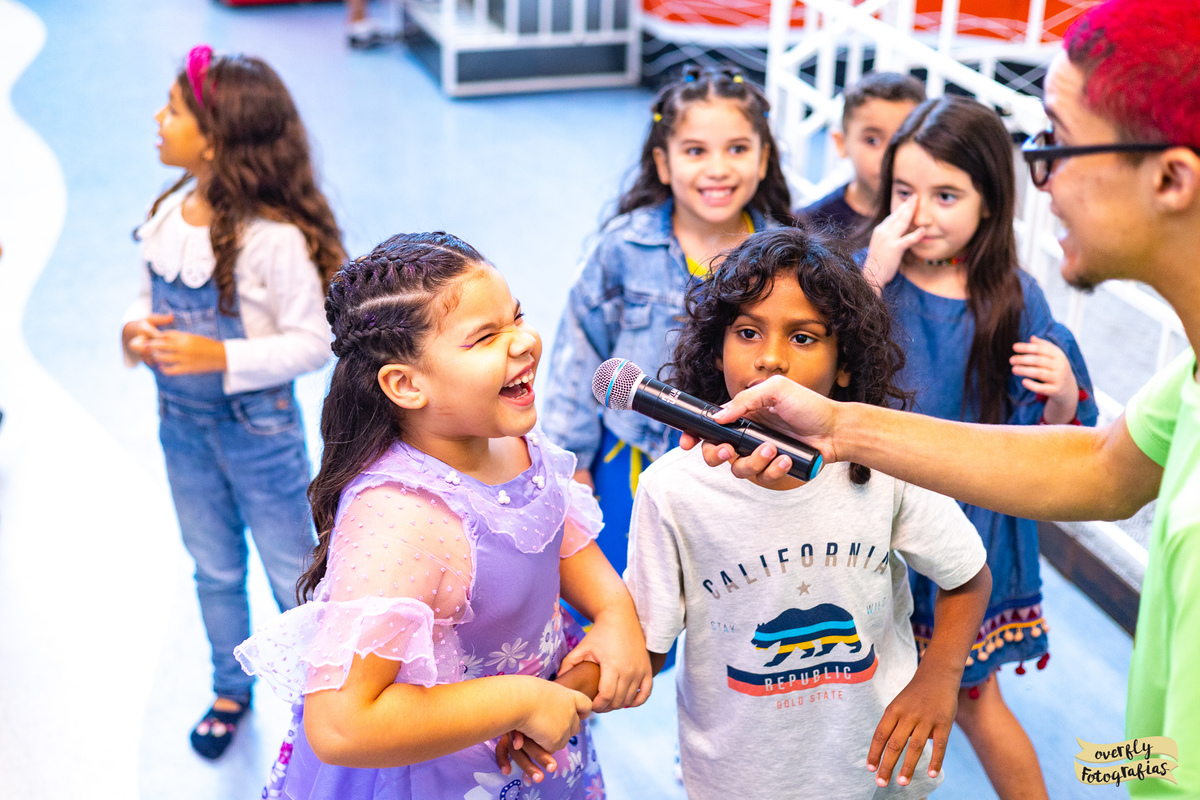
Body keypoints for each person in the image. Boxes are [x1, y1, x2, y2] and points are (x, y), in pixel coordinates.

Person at [680, 1, 1200, 795]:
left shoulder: (1015, 302)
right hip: (1154, 764)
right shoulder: (1183, 383)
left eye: (1055, 142)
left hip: (977, 560)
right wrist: (835, 423)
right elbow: (1102, 466)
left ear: (1170, 177)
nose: (1044, 179)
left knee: (971, 700)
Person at [235, 232, 651, 799]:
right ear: (406, 384)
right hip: (436, 776)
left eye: (517, 317)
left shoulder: (512, 442)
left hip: (533, 749)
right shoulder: (401, 520)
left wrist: (615, 612)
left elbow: (559, 535)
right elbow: (339, 723)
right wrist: (524, 699)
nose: (525, 341)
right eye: (485, 337)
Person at [624, 227, 991, 799]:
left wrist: (938, 679)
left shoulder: (880, 462)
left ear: (845, 364)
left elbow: (968, 574)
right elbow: (644, 646)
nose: (770, 357)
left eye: (802, 337)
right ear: (717, 347)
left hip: (877, 772)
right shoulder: (672, 492)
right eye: (747, 332)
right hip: (740, 780)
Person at [860, 94, 1098, 799]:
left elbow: (1058, 443)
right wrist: (869, 275)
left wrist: (1058, 394)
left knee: (970, 698)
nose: (920, 213)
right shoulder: (867, 278)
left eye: (945, 194)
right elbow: (825, 368)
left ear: (990, 203)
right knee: (850, 687)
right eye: (904, 192)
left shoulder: (1015, 299)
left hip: (968, 539)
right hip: (872, 530)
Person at [120, 45, 346, 759]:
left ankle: (324, 699)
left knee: (291, 570)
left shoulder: (271, 240)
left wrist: (222, 356)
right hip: (179, 430)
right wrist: (133, 330)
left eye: (174, 109)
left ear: (215, 139)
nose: (158, 119)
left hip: (260, 433)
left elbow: (312, 342)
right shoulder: (164, 214)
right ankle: (229, 683)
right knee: (212, 566)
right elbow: (145, 295)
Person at [542, 65, 793, 578]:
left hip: (733, 465)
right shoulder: (623, 248)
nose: (718, 168)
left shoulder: (785, 257)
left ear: (764, 158)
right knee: (624, 604)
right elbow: (579, 353)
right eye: (696, 150)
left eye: (738, 149)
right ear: (663, 161)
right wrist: (573, 464)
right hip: (628, 462)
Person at [797, 72, 925, 246]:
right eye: (872, 140)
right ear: (842, 144)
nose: (888, 155)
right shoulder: (806, 228)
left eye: (902, 139)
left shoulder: (932, 219)